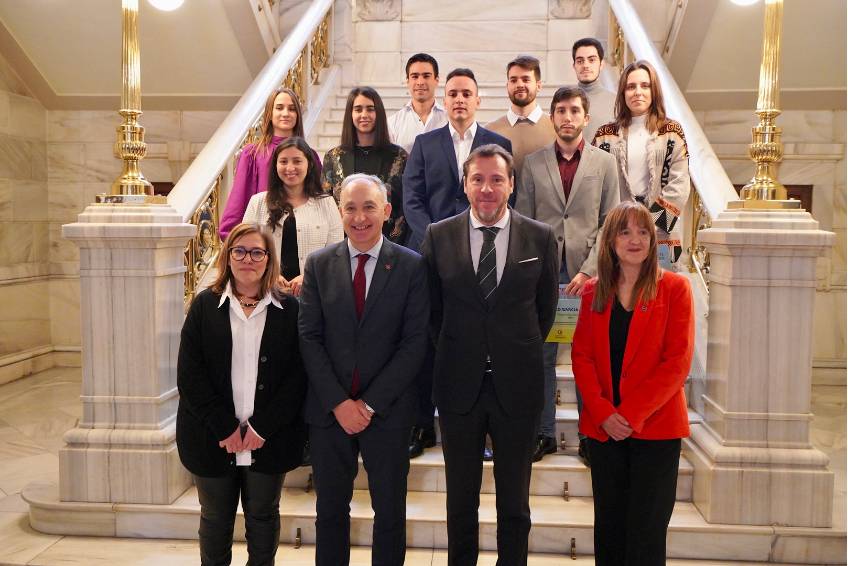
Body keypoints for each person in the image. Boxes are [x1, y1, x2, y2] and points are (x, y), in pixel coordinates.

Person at [421, 145, 559, 565]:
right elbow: (432, 312)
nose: (487, 188)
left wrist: (507, 347)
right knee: (460, 501)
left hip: (517, 385)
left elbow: (545, 310)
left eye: (497, 179)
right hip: (458, 385)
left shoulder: (540, 236)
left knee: (514, 502)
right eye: (477, 179)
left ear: (511, 184)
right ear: (465, 184)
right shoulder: (438, 236)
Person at [298, 174, 429, 566]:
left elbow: (414, 343)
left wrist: (368, 405)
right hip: (329, 413)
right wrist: (339, 403)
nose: (359, 217)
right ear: (340, 213)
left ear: (386, 211)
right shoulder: (319, 264)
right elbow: (309, 338)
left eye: (369, 207)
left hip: (388, 412)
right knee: (330, 512)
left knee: (389, 512)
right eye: (351, 208)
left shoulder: (411, 266)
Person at [571, 200, 694, 566]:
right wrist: (604, 413)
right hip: (605, 432)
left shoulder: (675, 288)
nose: (635, 240)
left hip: (656, 430)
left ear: (653, 240)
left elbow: (677, 363)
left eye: (643, 231)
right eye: (624, 232)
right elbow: (582, 357)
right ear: (610, 240)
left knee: (646, 534)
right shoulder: (593, 292)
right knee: (609, 531)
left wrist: (629, 415)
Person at [177, 222, 307, 566]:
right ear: (228, 256)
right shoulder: (204, 306)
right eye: (239, 251)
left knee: (263, 516)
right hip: (212, 436)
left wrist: (261, 428)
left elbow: (297, 378)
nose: (248, 259)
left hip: (269, 438)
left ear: (269, 260)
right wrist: (225, 428)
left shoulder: (290, 310)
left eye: (257, 252)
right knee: (215, 518)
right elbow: (190, 376)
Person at [402, 67, 512, 461]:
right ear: (443, 100)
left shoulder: (498, 143)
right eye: (453, 94)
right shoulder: (424, 143)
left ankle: (485, 427)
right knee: (426, 335)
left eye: (467, 93)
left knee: (479, 338)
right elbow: (412, 198)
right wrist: (436, 239)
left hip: (484, 254)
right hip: (431, 255)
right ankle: (421, 423)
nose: (459, 100)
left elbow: (503, 196)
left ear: (478, 99)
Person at [516, 86, 619, 463]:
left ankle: (591, 434)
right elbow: (523, 222)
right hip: (545, 278)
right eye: (560, 110)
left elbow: (609, 222)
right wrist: (537, 273)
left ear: (585, 118)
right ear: (552, 117)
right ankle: (544, 433)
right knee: (542, 358)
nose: (567, 117)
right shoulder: (533, 163)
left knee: (589, 360)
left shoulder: (604, 163)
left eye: (574, 110)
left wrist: (590, 271)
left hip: (588, 278)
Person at [593, 60, 691, 266]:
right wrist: (622, 226)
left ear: (654, 90)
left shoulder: (672, 131)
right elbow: (595, 186)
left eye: (645, 86)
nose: (638, 92)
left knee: (660, 285)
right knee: (621, 284)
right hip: (619, 231)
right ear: (623, 93)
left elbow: (679, 184)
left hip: (661, 234)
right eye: (631, 86)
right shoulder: (605, 135)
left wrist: (647, 226)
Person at [243, 137, 343, 297]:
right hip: (266, 294)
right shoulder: (258, 202)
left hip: (314, 295)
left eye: (297, 161)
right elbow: (246, 249)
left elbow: (336, 255)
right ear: (275, 165)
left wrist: (309, 277)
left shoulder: (327, 203)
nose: (290, 168)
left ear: (309, 164)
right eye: (283, 161)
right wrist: (269, 275)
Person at [219, 87, 321, 240]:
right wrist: (233, 238)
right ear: (269, 113)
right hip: (264, 238)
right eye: (279, 108)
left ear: (298, 116)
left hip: (303, 237)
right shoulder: (252, 154)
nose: (286, 113)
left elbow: (317, 199)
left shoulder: (310, 155)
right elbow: (238, 199)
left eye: (292, 109)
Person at [322, 87, 409, 244]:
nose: (364, 115)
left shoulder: (398, 156)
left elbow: (405, 207)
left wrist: (393, 245)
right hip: (343, 246)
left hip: (388, 246)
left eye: (370, 109)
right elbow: (326, 207)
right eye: (358, 109)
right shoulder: (333, 157)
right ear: (350, 114)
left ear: (379, 113)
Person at [485, 55, 556, 176]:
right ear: (507, 86)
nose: (519, 85)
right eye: (513, 80)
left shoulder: (556, 128)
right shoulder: (490, 131)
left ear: (538, 85)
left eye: (526, 79)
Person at [387, 53, 448, 153]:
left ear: (436, 80)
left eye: (426, 76)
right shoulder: (393, 123)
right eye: (415, 76)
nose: (420, 82)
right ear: (408, 81)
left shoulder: (449, 120)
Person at [572, 37, 616, 144]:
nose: (585, 65)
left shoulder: (616, 102)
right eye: (580, 61)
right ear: (574, 66)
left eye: (591, 60)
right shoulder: (563, 101)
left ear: (601, 64)